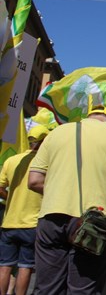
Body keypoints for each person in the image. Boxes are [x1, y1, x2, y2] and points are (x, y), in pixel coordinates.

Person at [28, 105, 106, 294]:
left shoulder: (57, 132)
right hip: (94, 220)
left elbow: (34, 181)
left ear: (87, 117)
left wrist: (58, 192)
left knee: (47, 288)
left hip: (51, 217)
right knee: (83, 289)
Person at [0, 125, 50, 295]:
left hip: (9, 221)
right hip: (32, 223)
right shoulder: (46, 164)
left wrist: (9, 199)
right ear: (44, 142)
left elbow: (0, 186)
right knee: (25, 267)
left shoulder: (12, 160)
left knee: (4, 265)